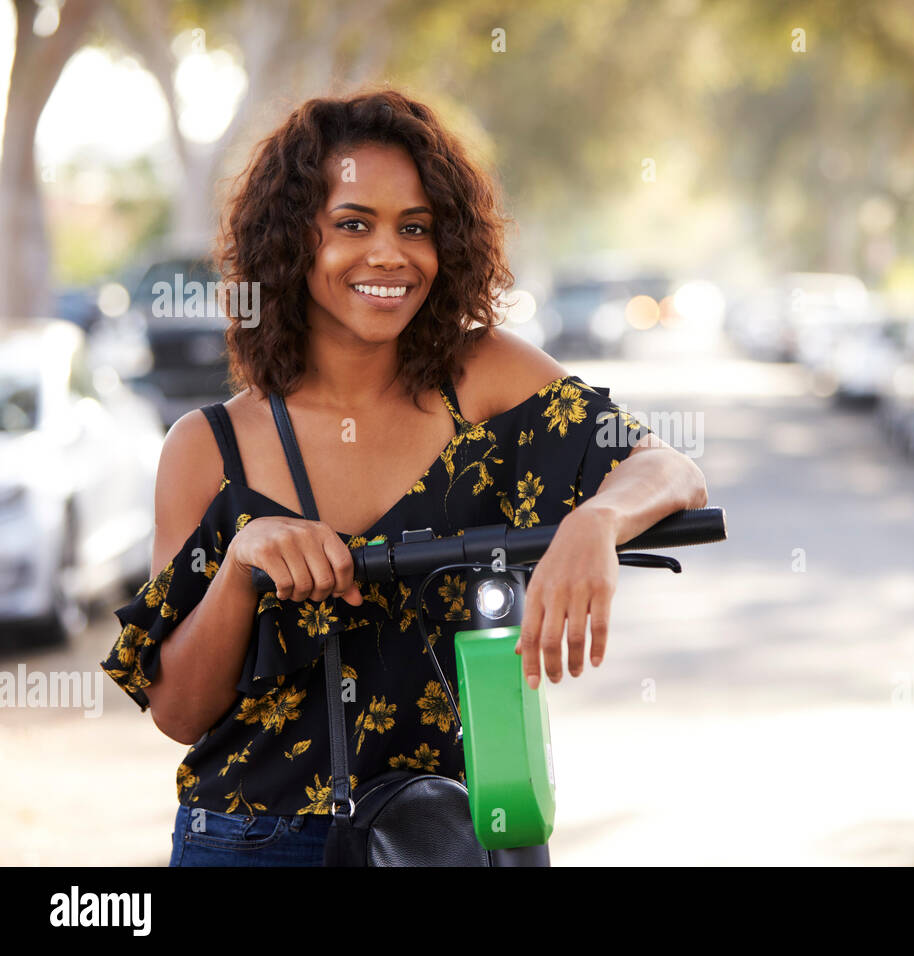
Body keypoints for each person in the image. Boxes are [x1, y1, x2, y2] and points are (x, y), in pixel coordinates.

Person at [99, 89, 708, 866]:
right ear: (291, 241)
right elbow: (180, 711)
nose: (391, 254)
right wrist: (244, 563)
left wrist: (596, 520)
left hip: (448, 837)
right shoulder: (208, 445)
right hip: (251, 842)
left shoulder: (483, 382)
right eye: (354, 224)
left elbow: (666, 467)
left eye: (415, 228)